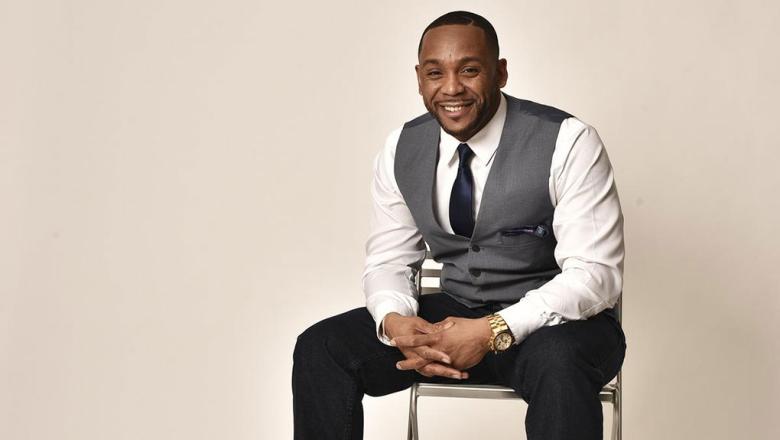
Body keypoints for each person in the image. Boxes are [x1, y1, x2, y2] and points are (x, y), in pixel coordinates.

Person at [292, 10, 626, 440]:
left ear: (500, 73)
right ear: (418, 79)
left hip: (554, 323)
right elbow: (389, 260)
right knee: (322, 348)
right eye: (435, 72)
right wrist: (394, 320)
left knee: (559, 364)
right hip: (454, 315)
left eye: (469, 70)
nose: (451, 88)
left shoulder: (568, 141)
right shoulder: (401, 148)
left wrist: (492, 331)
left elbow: (595, 275)